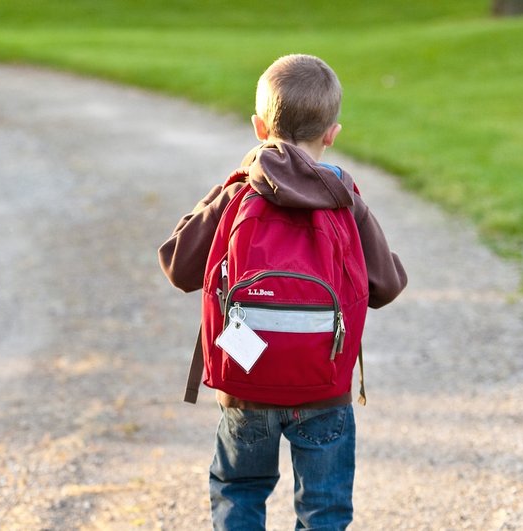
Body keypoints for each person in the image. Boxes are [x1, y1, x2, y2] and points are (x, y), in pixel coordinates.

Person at [158, 54, 406, 531]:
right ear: (332, 133)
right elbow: (385, 287)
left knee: (240, 491)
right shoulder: (344, 199)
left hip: (246, 381)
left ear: (258, 126)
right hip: (324, 386)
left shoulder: (238, 192)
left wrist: (221, 194)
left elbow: (177, 265)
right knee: (323, 509)